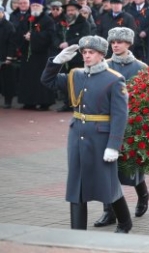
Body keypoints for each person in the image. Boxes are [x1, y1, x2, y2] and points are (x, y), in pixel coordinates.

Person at [40, 36, 133, 233]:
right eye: (84, 53)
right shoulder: (76, 75)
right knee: (76, 183)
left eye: (91, 52)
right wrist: (56, 62)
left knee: (107, 183)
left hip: (101, 138)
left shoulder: (114, 79)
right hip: (77, 136)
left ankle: (124, 221)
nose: (87, 56)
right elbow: (47, 81)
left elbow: (120, 115)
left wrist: (113, 145)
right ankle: (77, 233)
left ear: (101, 55)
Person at [94, 27, 149, 228]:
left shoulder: (141, 67)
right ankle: (109, 211)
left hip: (132, 124)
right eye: (113, 42)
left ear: (128, 44)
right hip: (107, 123)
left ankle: (142, 195)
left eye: (119, 42)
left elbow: (148, 99)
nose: (115, 45)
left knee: (130, 167)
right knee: (108, 168)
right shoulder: (104, 65)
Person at [17, 0, 56, 110]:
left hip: (42, 56)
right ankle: (29, 102)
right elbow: (19, 33)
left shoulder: (48, 20)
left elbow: (49, 36)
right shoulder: (26, 19)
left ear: (42, 6)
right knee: (28, 78)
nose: (34, 7)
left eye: (37, 5)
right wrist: (25, 36)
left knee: (42, 79)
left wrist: (33, 37)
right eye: (33, 5)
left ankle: (45, 102)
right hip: (28, 56)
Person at [0, 5, 18, 108]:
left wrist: (9, 57)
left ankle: (8, 101)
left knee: (7, 80)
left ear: (2, 13)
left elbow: (12, 43)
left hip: (5, 56)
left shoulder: (9, 26)